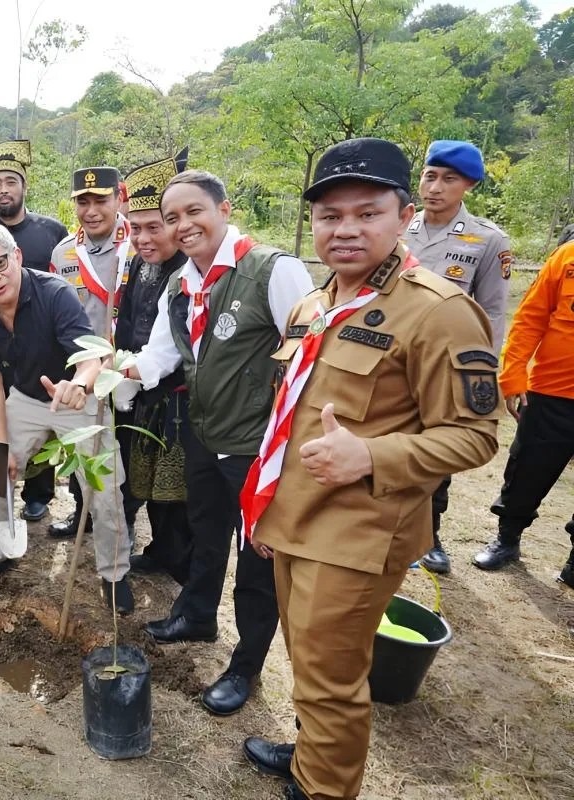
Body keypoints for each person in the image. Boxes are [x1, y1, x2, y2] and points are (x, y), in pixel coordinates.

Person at [240, 137, 501, 800]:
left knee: (330, 677)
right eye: (330, 216)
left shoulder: (439, 312)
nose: (346, 229)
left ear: (404, 216)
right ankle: (313, 753)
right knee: (308, 659)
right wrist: (265, 507)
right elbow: (288, 418)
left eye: (367, 213)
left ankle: (322, 788)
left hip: (359, 533)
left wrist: (371, 454)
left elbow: (475, 438)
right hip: (297, 517)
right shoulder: (313, 304)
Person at [125, 169, 315, 716]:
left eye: (194, 212)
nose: (182, 226)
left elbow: (309, 358)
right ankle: (197, 615)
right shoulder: (182, 285)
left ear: (224, 210)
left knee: (256, 561)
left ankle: (245, 666)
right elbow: (158, 359)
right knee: (206, 532)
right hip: (205, 436)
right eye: (172, 218)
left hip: (259, 449)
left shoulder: (272, 270)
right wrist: (102, 371)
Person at [0, 221, 134, 613]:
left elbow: (91, 357)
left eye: (0, 263)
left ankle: (114, 573)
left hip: (75, 397)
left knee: (105, 490)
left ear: (16, 256)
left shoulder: (55, 293)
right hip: (26, 397)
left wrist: (80, 384)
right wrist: (3, 445)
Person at [403, 140, 512, 575]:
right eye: (429, 176)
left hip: (444, 362)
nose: (435, 187)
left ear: (469, 185)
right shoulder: (399, 225)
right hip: (390, 353)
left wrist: (480, 369)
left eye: (449, 179)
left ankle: (429, 537)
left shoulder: (487, 239)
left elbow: (492, 310)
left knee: (436, 444)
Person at [472, 238, 574, 583]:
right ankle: (507, 540)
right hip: (551, 393)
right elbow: (531, 317)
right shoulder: (567, 256)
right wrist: (513, 376)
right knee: (528, 469)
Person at [46, 166, 135, 541]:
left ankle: (123, 522)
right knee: (83, 443)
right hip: (82, 370)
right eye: (83, 202)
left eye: (101, 200)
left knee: (124, 450)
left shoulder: (138, 245)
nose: (92, 211)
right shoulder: (64, 251)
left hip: (128, 369)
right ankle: (82, 511)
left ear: (119, 198)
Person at [0, 138, 69, 522]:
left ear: (24, 186)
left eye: (10, 182)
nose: (4, 190)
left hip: (45, 348)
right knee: (0, 423)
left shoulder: (52, 231)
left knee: (43, 418)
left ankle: (39, 494)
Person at [116, 154, 192, 581]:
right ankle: (158, 549)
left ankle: (178, 562)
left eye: (153, 228)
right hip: (137, 386)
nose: (142, 239)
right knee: (140, 474)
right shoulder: (138, 263)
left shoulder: (190, 271)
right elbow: (127, 319)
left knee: (174, 488)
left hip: (177, 396)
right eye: (135, 228)